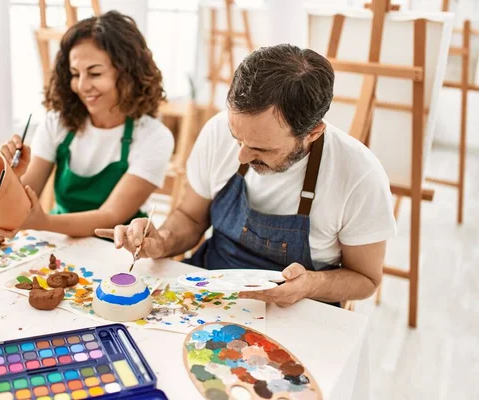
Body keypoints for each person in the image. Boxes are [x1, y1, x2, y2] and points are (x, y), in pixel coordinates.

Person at [96, 44, 397, 307]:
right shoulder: (216, 130)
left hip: (300, 307)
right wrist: (162, 241)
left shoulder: (359, 175)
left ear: (313, 133)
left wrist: (311, 285)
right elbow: (190, 217)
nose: (241, 155)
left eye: (260, 148)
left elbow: (365, 279)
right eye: (236, 137)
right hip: (211, 285)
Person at [0, 11, 174, 240]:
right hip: (59, 240)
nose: (82, 85)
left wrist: (42, 222)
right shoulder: (57, 123)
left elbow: (110, 215)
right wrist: (12, 176)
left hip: (117, 246)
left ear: (129, 74)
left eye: (95, 73)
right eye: (75, 74)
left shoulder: (154, 136)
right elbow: (22, 203)